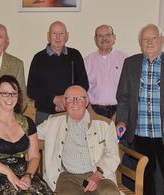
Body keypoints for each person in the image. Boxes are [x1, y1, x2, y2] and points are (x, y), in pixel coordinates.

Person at [0, 75, 53, 194]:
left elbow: (34, 157)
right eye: (4, 93)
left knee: (42, 192)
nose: (10, 97)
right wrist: (8, 173)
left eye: (13, 93)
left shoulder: (27, 123)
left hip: (24, 174)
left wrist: (28, 175)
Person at [37, 85, 120, 194]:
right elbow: (29, 133)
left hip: (98, 175)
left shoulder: (105, 124)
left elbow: (112, 155)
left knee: (110, 192)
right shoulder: (53, 122)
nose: (75, 102)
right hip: (68, 176)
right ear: (65, 103)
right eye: (70, 99)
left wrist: (98, 174)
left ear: (87, 102)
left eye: (80, 98)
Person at [116, 24, 164, 195]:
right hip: (140, 132)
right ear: (140, 43)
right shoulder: (131, 63)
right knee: (147, 178)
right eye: (145, 39)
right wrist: (121, 121)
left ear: (162, 40)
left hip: (161, 131)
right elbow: (123, 98)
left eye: (154, 38)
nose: (149, 42)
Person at [27, 20, 89, 125]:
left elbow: (84, 85)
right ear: (48, 36)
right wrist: (54, 99)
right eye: (54, 33)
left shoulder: (75, 55)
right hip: (45, 114)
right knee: (44, 142)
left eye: (61, 33)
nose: (58, 37)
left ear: (67, 36)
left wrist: (66, 100)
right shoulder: (38, 58)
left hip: (72, 112)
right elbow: (31, 90)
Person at [84, 24, 127, 121]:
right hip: (94, 111)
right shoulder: (87, 61)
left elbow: (127, 89)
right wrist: (91, 113)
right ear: (95, 39)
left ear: (114, 37)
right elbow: (83, 90)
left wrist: (118, 114)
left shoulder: (124, 59)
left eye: (108, 35)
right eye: (100, 36)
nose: (104, 38)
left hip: (119, 110)